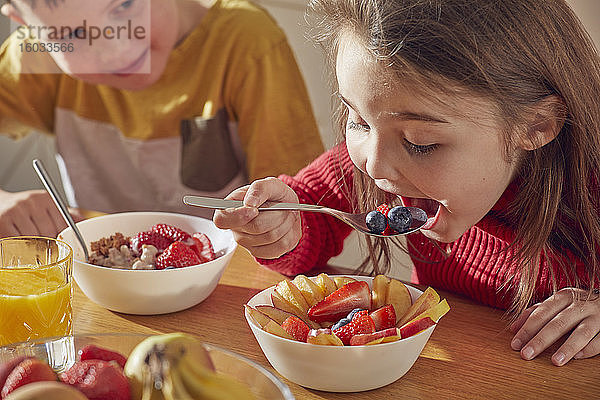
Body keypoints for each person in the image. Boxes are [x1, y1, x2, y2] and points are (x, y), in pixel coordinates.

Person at [214, 0, 600, 367]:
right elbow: (310, 213)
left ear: (536, 126)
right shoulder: (382, 157)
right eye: (359, 121)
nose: (375, 166)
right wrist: (283, 226)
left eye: (420, 142)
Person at [0, 0, 324, 238]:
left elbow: (306, 214)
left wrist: (278, 229)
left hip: (225, 294)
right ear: (26, 25)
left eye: (124, 6)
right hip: (101, 297)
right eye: (72, 33)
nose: (116, 49)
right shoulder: (35, 55)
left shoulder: (248, 43)